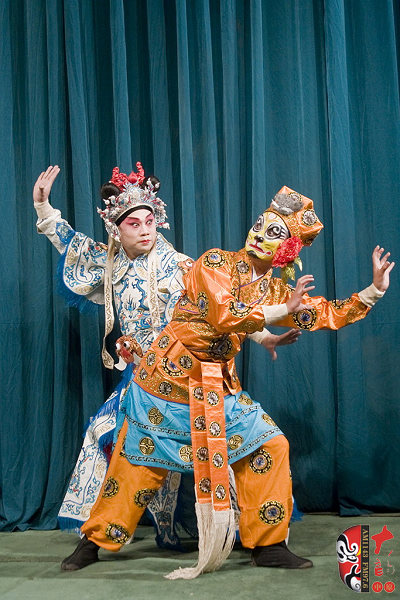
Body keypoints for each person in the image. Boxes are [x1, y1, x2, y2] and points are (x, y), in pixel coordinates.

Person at [60, 185, 393, 578]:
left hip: (217, 387)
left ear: (287, 250)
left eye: (273, 233)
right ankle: (94, 541)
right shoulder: (214, 262)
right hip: (167, 381)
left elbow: (320, 313)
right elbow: (224, 314)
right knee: (134, 463)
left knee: (269, 445)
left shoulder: (274, 289)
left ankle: (267, 545)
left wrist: (372, 292)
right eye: (260, 225)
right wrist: (278, 314)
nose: (259, 235)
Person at [33, 165, 299, 549]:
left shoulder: (181, 266)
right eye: (134, 224)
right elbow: (71, 244)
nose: (145, 230)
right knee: (106, 436)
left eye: (150, 222)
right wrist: (43, 207)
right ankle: (95, 537)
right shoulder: (110, 263)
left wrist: (264, 337)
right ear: (116, 230)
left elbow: (220, 307)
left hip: (189, 376)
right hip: (142, 380)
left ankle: (251, 533)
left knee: (231, 446)